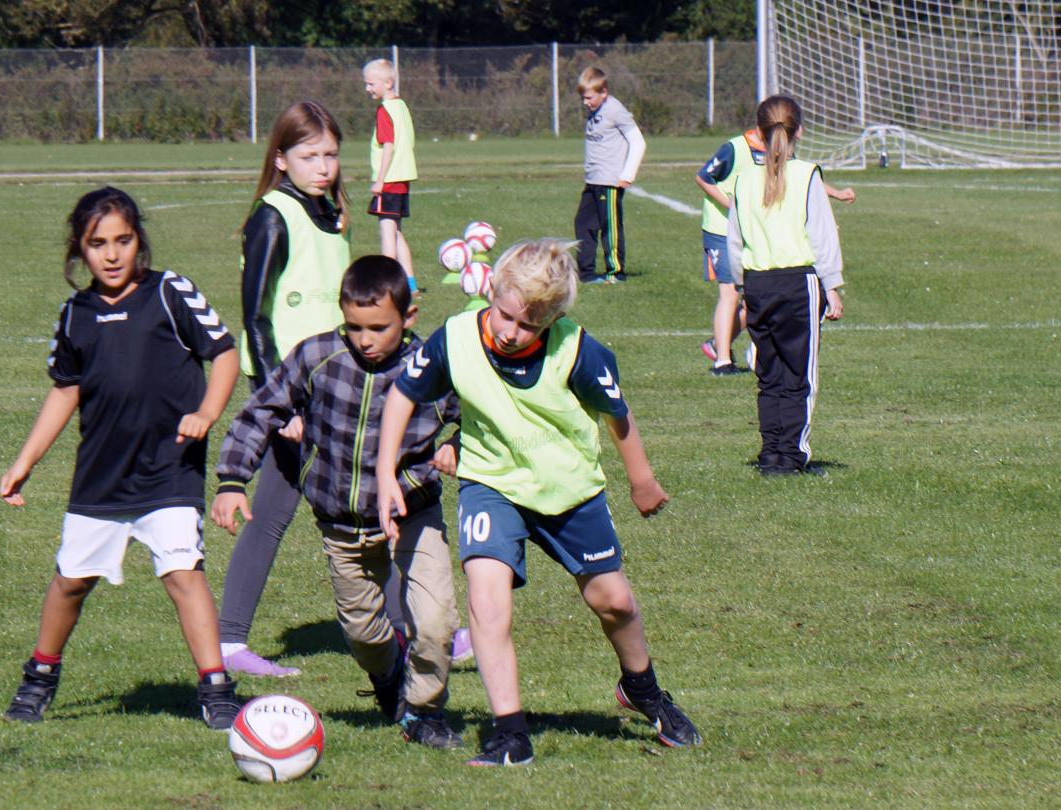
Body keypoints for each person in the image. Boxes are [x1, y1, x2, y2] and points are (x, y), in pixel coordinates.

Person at [376, 238, 701, 766]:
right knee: (487, 598)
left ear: (551, 321)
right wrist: (385, 471)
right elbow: (404, 394)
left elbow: (618, 414)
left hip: (568, 489)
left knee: (612, 602)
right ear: (493, 292)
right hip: (492, 483)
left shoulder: (577, 350)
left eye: (528, 326)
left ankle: (642, 687)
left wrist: (641, 480)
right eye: (505, 315)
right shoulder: (455, 338)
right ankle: (510, 733)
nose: (510, 331)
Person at [0, 187, 242, 728]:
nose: (112, 254)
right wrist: (26, 460)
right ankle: (39, 677)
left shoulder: (168, 292)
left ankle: (217, 688)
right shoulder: (75, 314)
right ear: (79, 251)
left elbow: (224, 352)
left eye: (123, 241)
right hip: (102, 477)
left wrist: (206, 411)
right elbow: (66, 390)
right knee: (70, 581)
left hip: (168, 468)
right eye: (97, 244)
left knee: (184, 571)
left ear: (140, 242)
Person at [212, 256, 465, 749]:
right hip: (341, 525)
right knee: (366, 636)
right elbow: (262, 409)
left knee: (435, 622)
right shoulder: (319, 356)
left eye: (379, 328)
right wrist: (231, 480)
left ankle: (426, 713)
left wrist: (459, 445)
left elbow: (477, 417)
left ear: (409, 317)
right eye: (354, 327)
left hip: (413, 513)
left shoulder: (434, 368)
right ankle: (389, 679)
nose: (365, 339)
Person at [218, 100, 351, 678]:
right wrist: (280, 403)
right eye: (308, 155)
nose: (322, 166)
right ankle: (426, 631)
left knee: (286, 512)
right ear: (281, 158)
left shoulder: (329, 214)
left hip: (332, 389)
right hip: (292, 397)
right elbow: (255, 320)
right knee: (354, 507)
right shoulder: (272, 216)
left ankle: (227, 644)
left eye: (330, 155)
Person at [726, 96, 845, 475]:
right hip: (798, 284)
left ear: (758, 134)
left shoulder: (743, 181)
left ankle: (772, 454)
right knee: (800, 375)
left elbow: (734, 240)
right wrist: (833, 285)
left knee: (770, 373)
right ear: (801, 133)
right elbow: (822, 235)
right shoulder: (807, 175)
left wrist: (743, 287)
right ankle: (793, 456)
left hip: (758, 284)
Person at [696, 128, 855, 375]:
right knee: (730, 293)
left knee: (752, 300)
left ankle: (720, 343)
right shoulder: (735, 147)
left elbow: (801, 182)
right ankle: (723, 361)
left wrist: (835, 193)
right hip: (722, 229)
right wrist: (735, 206)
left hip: (755, 230)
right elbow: (704, 177)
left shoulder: (782, 151)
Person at [574, 67, 644, 285]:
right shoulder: (595, 111)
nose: (585, 102)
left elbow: (638, 142)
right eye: (583, 98)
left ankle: (615, 273)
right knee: (583, 224)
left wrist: (628, 175)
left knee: (610, 228)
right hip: (593, 180)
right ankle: (585, 273)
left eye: (589, 97)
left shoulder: (615, 110)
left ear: (603, 92)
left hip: (610, 181)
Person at [364, 59, 419, 294]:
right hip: (403, 179)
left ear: (387, 83)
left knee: (386, 232)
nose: (367, 89)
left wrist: (380, 180)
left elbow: (389, 146)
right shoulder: (402, 106)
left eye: (371, 84)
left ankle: (388, 284)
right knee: (397, 232)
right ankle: (410, 283)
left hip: (390, 180)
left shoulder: (385, 110)